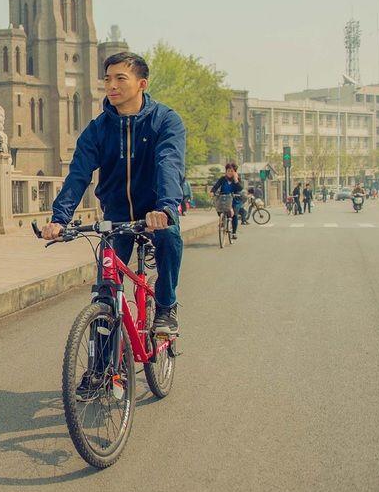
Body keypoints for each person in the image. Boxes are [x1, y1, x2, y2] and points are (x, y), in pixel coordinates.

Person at [42, 51, 185, 337]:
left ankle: (166, 307)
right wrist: (59, 219)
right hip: (116, 215)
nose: (112, 86)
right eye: (107, 79)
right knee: (105, 295)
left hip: (156, 211)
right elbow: (79, 174)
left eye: (121, 78)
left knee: (169, 237)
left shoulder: (165, 121)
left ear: (142, 83)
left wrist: (167, 208)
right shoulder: (98, 129)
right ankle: (99, 369)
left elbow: (168, 163)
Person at [211, 163, 244, 239]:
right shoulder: (222, 179)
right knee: (219, 207)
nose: (229, 172)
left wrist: (236, 180)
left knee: (234, 215)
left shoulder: (237, 179)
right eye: (228, 170)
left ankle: (234, 232)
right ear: (226, 171)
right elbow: (216, 186)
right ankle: (222, 219)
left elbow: (240, 188)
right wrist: (212, 191)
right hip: (224, 198)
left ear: (235, 172)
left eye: (232, 171)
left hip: (234, 199)